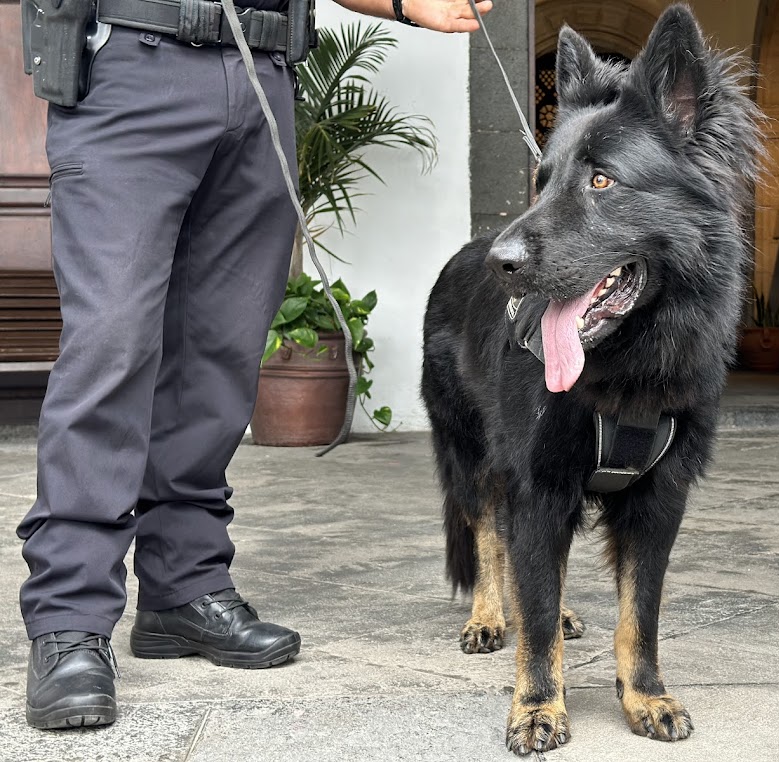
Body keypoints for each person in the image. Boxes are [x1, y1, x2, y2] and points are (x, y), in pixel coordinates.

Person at [18, 0, 492, 730]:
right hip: (131, 63)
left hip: (262, 73)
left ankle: (183, 588)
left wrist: (403, 4)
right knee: (110, 346)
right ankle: (70, 620)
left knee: (221, 354)